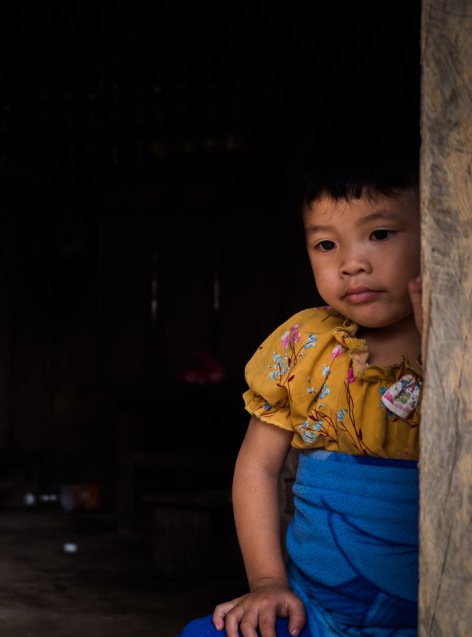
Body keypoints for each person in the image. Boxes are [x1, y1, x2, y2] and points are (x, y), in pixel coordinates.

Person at [178, 110, 423, 637]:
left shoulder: (456, 347)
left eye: (379, 233)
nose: (351, 263)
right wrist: (268, 583)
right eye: (326, 244)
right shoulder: (303, 346)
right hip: (314, 613)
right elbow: (258, 469)